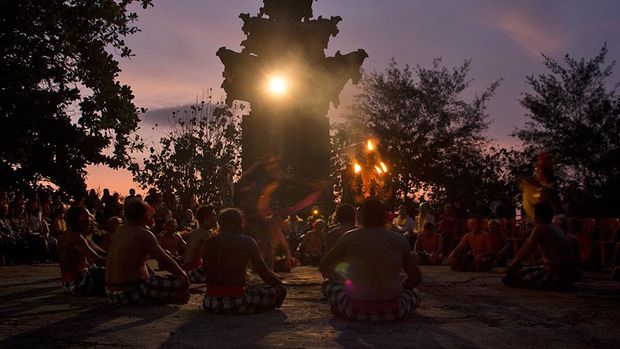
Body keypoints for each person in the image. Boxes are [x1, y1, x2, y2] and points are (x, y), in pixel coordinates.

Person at [319, 199, 422, 322]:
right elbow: (415, 277)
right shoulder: (399, 239)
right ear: (384, 216)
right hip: (393, 311)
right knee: (416, 293)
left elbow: (324, 265)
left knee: (328, 285)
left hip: (355, 310)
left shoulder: (349, 237)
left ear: (361, 216)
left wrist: (345, 281)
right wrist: (399, 288)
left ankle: (339, 307)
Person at [202, 208, 287, 315]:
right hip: (237, 302)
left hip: (210, 302)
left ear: (221, 224)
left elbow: (206, 270)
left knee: (255, 288)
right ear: (237, 224)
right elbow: (264, 273)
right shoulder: (247, 241)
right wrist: (279, 285)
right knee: (280, 291)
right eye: (241, 223)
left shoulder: (209, 242)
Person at [105, 200, 189, 305]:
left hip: (111, 294)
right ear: (144, 215)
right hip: (130, 293)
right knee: (179, 282)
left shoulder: (119, 231)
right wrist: (183, 275)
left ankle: (159, 298)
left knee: (155, 279)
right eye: (148, 214)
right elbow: (164, 261)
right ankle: (164, 298)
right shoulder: (143, 234)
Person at [503, 202, 579, 289]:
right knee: (531, 268)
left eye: (533, 215)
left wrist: (512, 266)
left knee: (516, 273)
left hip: (556, 275)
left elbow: (525, 250)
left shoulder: (540, 228)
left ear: (537, 216)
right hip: (570, 276)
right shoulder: (557, 228)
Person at [58, 206, 106, 296]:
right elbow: (97, 259)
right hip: (76, 283)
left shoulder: (78, 235)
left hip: (71, 281)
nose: (89, 222)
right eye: (85, 221)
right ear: (76, 221)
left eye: (89, 220)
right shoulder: (76, 238)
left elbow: (100, 252)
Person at [182, 205, 218, 284]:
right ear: (206, 219)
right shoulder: (204, 234)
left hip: (189, 267)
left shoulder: (199, 231)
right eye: (213, 215)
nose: (216, 218)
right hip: (193, 269)